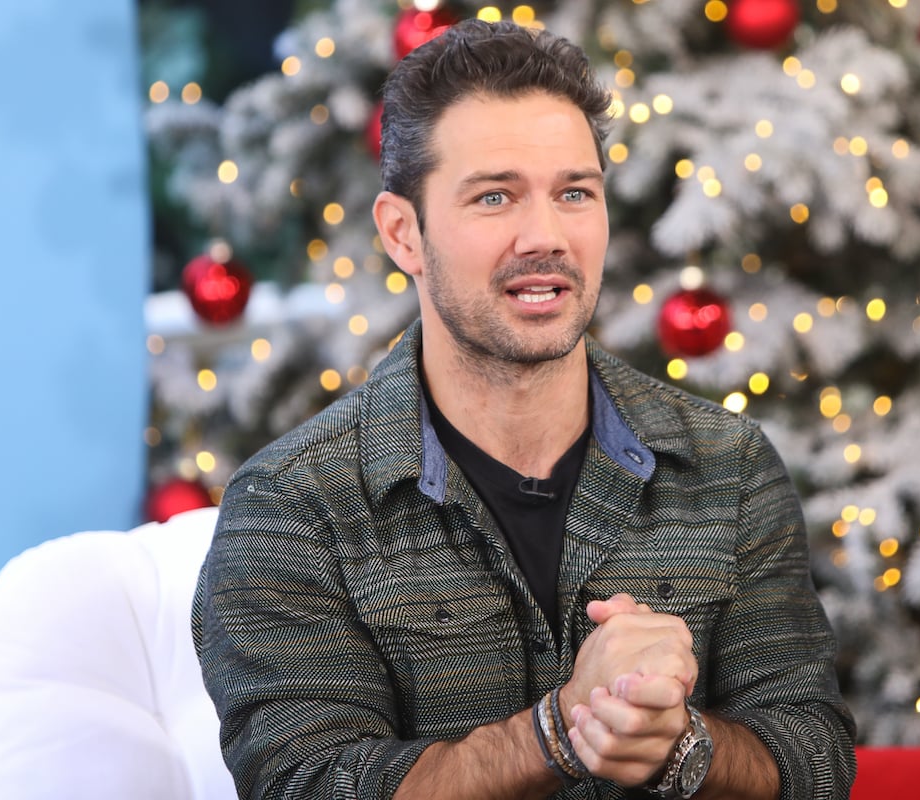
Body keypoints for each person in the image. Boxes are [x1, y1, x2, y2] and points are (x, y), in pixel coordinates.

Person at [194, 18, 855, 800]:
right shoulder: (292, 507)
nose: (545, 236)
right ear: (403, 233)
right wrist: (565, 728)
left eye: (574, 193)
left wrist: (680, 744)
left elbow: (815, 760)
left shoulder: (728, 466)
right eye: (495, 196)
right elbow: (310, 784)